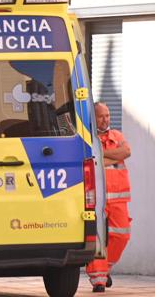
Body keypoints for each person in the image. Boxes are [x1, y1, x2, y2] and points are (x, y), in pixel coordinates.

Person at [86, 102, 132, 293]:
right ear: (93, 118)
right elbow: (91, 158)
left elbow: (126, 152)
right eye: (101, 116)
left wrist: (102, 155)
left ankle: (106, 268)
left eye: (107, 115)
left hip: (119, 198)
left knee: (122, 235)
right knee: (97, 239)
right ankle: (98, 280)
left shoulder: (117, 136)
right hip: (97, 197)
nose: (105, 119)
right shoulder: (89, 139)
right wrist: (114, 156)